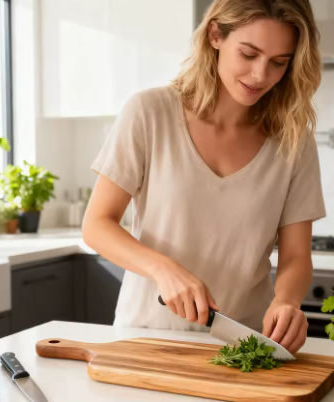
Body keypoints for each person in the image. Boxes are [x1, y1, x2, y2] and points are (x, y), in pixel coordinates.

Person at [82, 0, 326, 355]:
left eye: (278, 62)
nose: (261, 75)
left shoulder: (293, 139)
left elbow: (296, 256)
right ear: (215, 35)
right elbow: (97, 226)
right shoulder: (150, 113)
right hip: (146, 337)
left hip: (243, 345)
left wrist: (287, 301)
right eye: (249, 54)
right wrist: (164, 269)